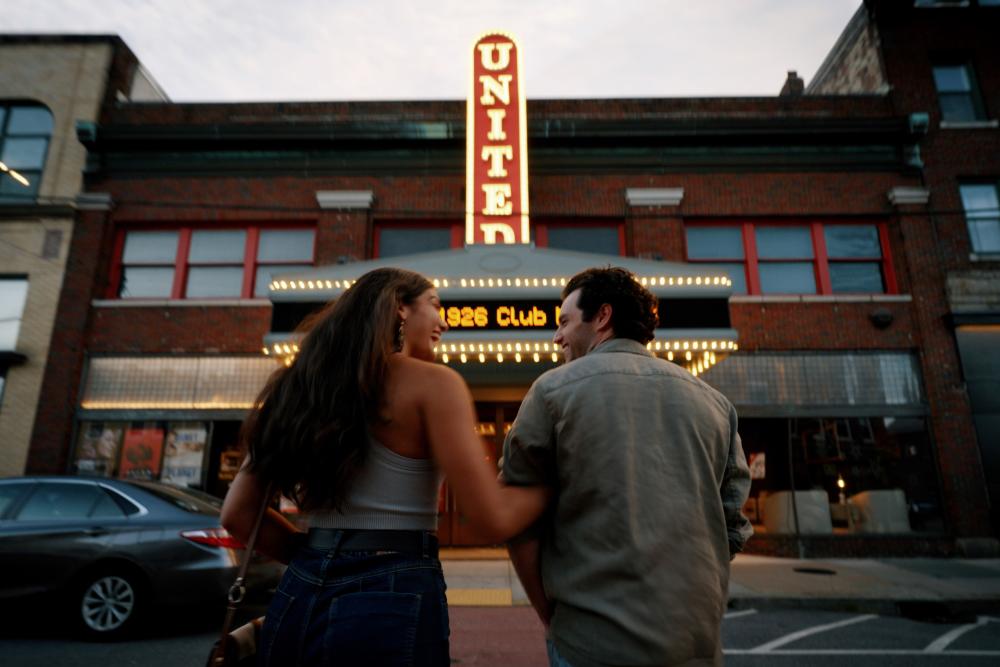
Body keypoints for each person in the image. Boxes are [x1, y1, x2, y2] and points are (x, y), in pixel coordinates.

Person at [220, 267, 549, 666]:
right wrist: (555, 484)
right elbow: (491, 518)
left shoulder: (298, 385)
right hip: (393, 589)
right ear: (400, 308)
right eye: (434, 305)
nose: (444, 322)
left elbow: (237, 514)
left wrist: (320, 556)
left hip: (298, 593)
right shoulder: (435, 383)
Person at [501, 267, 752, 667]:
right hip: (695, 643)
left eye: (564, 321)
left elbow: (516, 520)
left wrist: (549, 615)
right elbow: (732, 529)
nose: (557, 336)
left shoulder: (552, 391)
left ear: (602, 316)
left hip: (591, 643)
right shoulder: (715, 404)